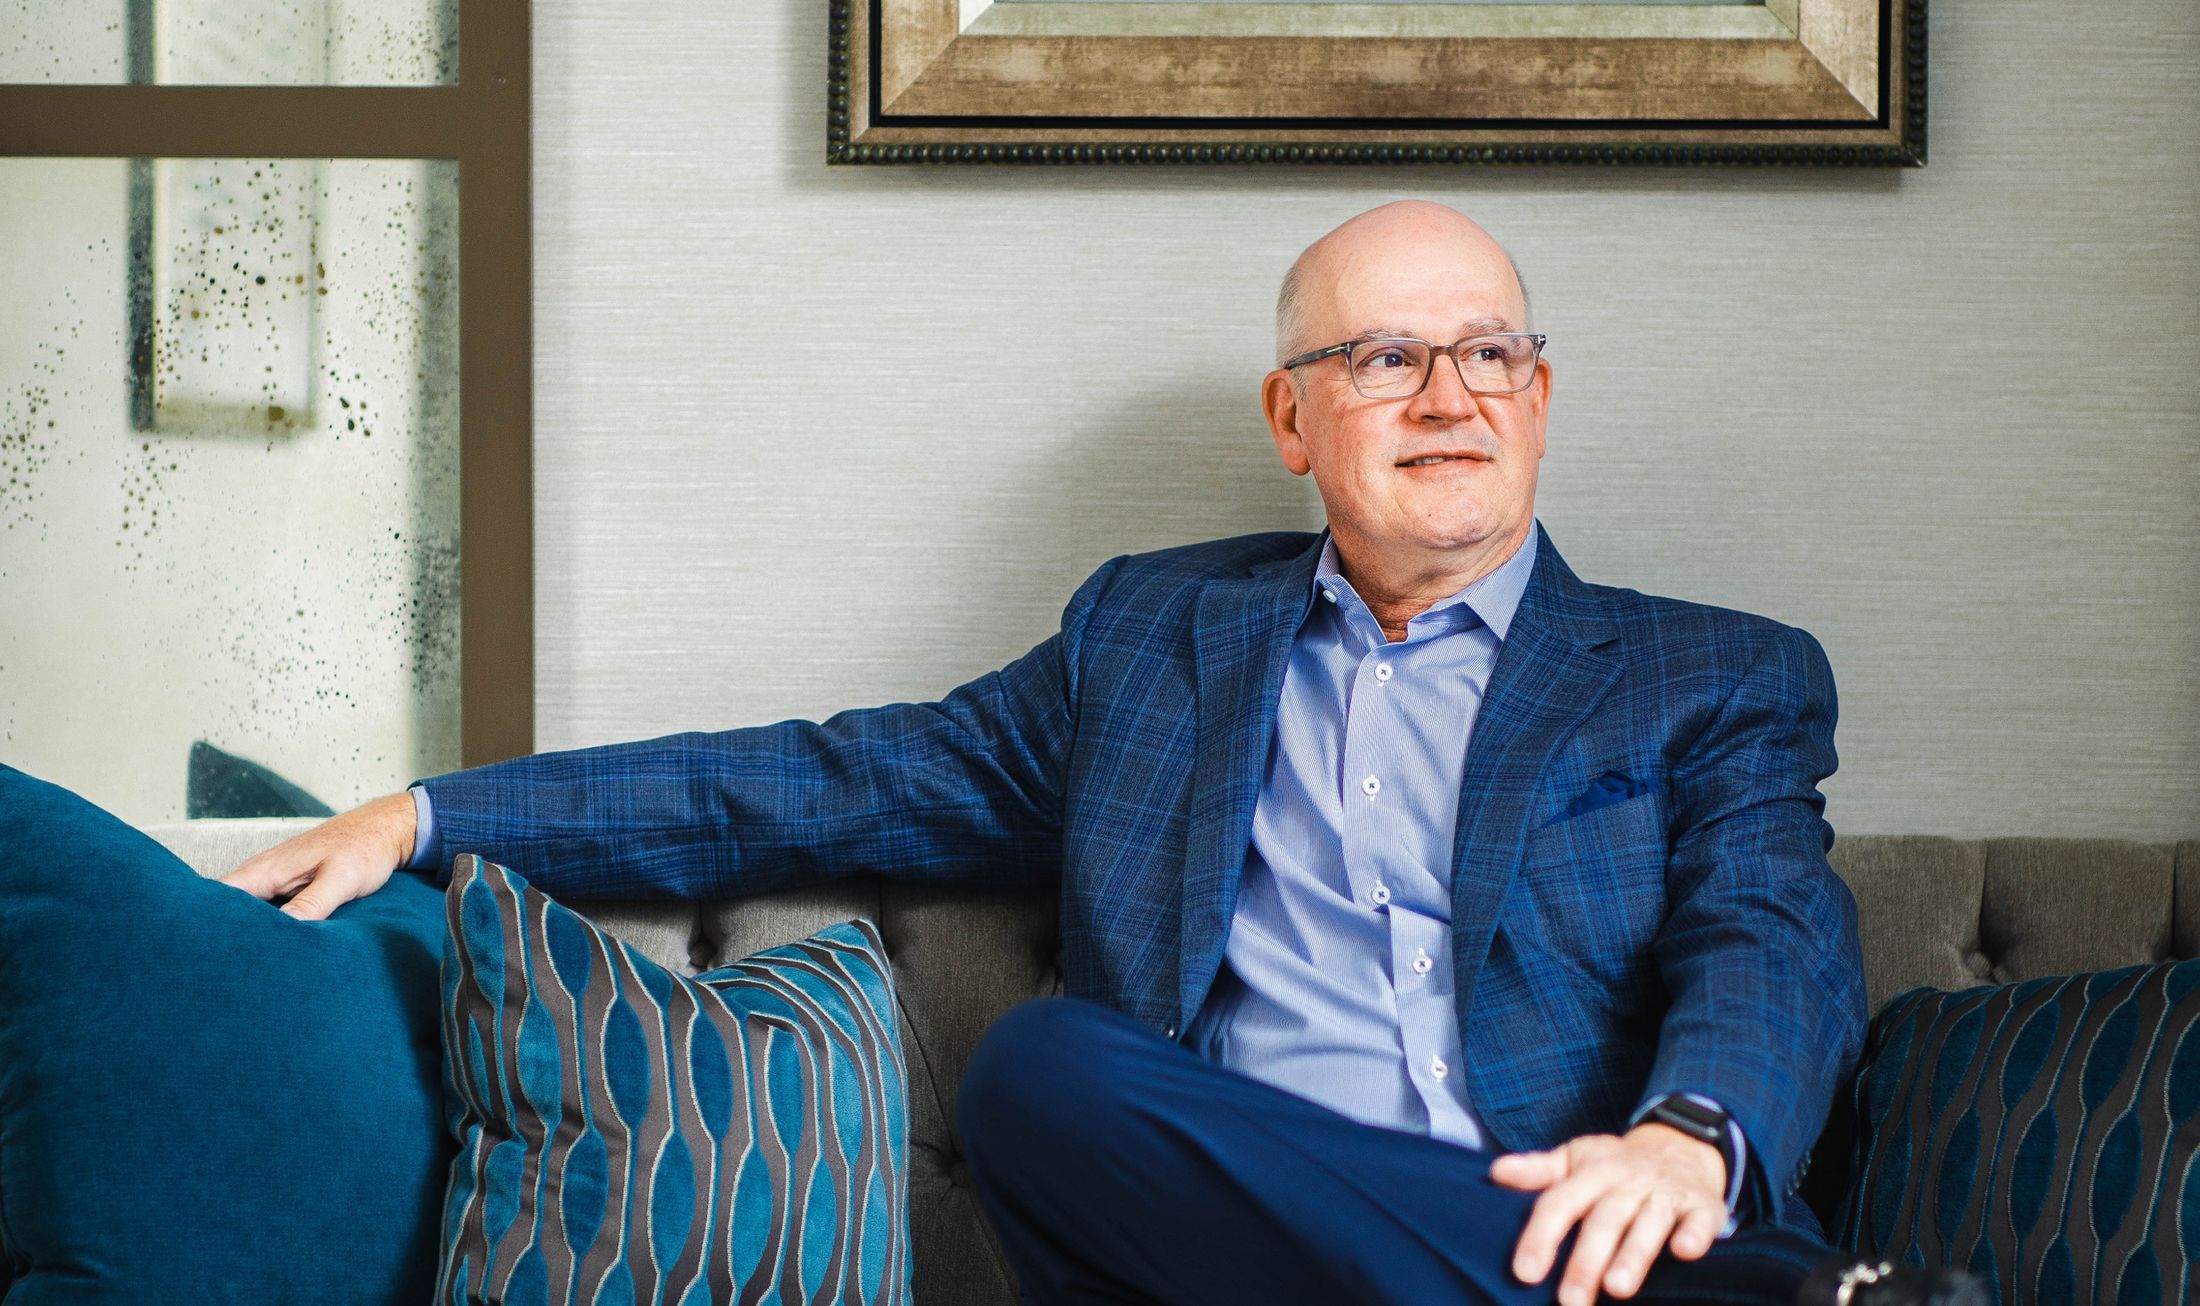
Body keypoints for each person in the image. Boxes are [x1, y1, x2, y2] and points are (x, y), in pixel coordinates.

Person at [223, 201, 1982, 1306]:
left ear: (1539, 393)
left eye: (1489, 352)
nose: (1449, 394)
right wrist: (432, 810)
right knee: (1044, 1069)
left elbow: (1769, 929)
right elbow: (819, 776)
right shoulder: (1153, 643)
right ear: (1292, 416)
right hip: (1226, 1253)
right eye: (1384, 356)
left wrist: (1688, 1135)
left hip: (1584, 1231)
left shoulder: (1708, 675)